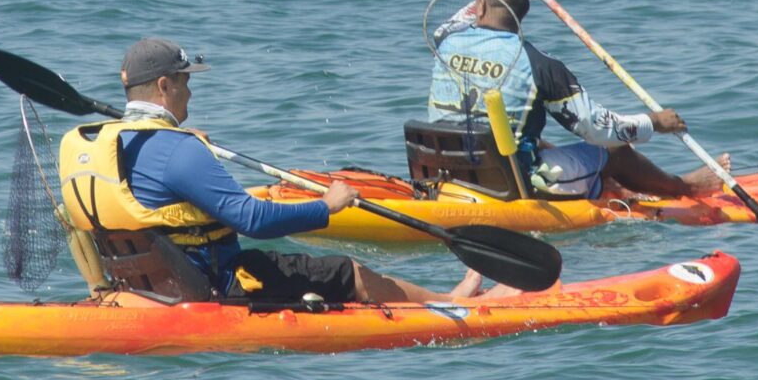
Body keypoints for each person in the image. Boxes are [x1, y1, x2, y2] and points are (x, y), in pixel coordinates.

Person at [60, 37, 485, 305]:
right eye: (185, 81)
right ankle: (448, 301)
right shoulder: (179, 151)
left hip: (139, 287)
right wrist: (327, 206)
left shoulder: (104, 146)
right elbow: (253, 220)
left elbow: (77, 219)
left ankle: (101, 294)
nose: (190, 90)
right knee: (346, 271)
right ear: (164, 87)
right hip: (214, 286)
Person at [429, 0, 727, 201]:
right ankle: (685, 187)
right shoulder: (540, 65)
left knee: (536, 141)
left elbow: (465, 16)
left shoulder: (444, 40)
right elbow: (598, 130)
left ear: (480, 3)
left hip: (446, 172)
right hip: (512, 187)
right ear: (525, 8)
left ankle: (609, 185)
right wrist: (655, 122)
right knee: (615, 151)